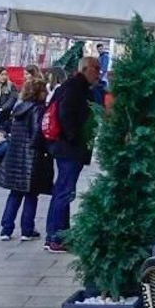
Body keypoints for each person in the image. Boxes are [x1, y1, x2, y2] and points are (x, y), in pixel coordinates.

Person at [44, 54, 99, 253]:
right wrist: (74, 138)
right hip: (69, 148)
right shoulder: (76, 88)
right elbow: (66, 113)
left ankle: (56, 235)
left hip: (66, 147)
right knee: (64, 192)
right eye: (96, 69)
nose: (98, 73)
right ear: (85, 69)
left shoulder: (74, 86)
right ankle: (57, 237)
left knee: (62, 191)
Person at [0, 75, 51, 241]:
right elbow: (37, 133)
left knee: (15, 194)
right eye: (44, 91)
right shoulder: (37, 109)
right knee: (31, 194)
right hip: (31, 157)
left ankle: (6, 229)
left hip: (15, 155)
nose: (46, 94)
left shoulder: (19, 107)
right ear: (38, 92)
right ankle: (27, 229)